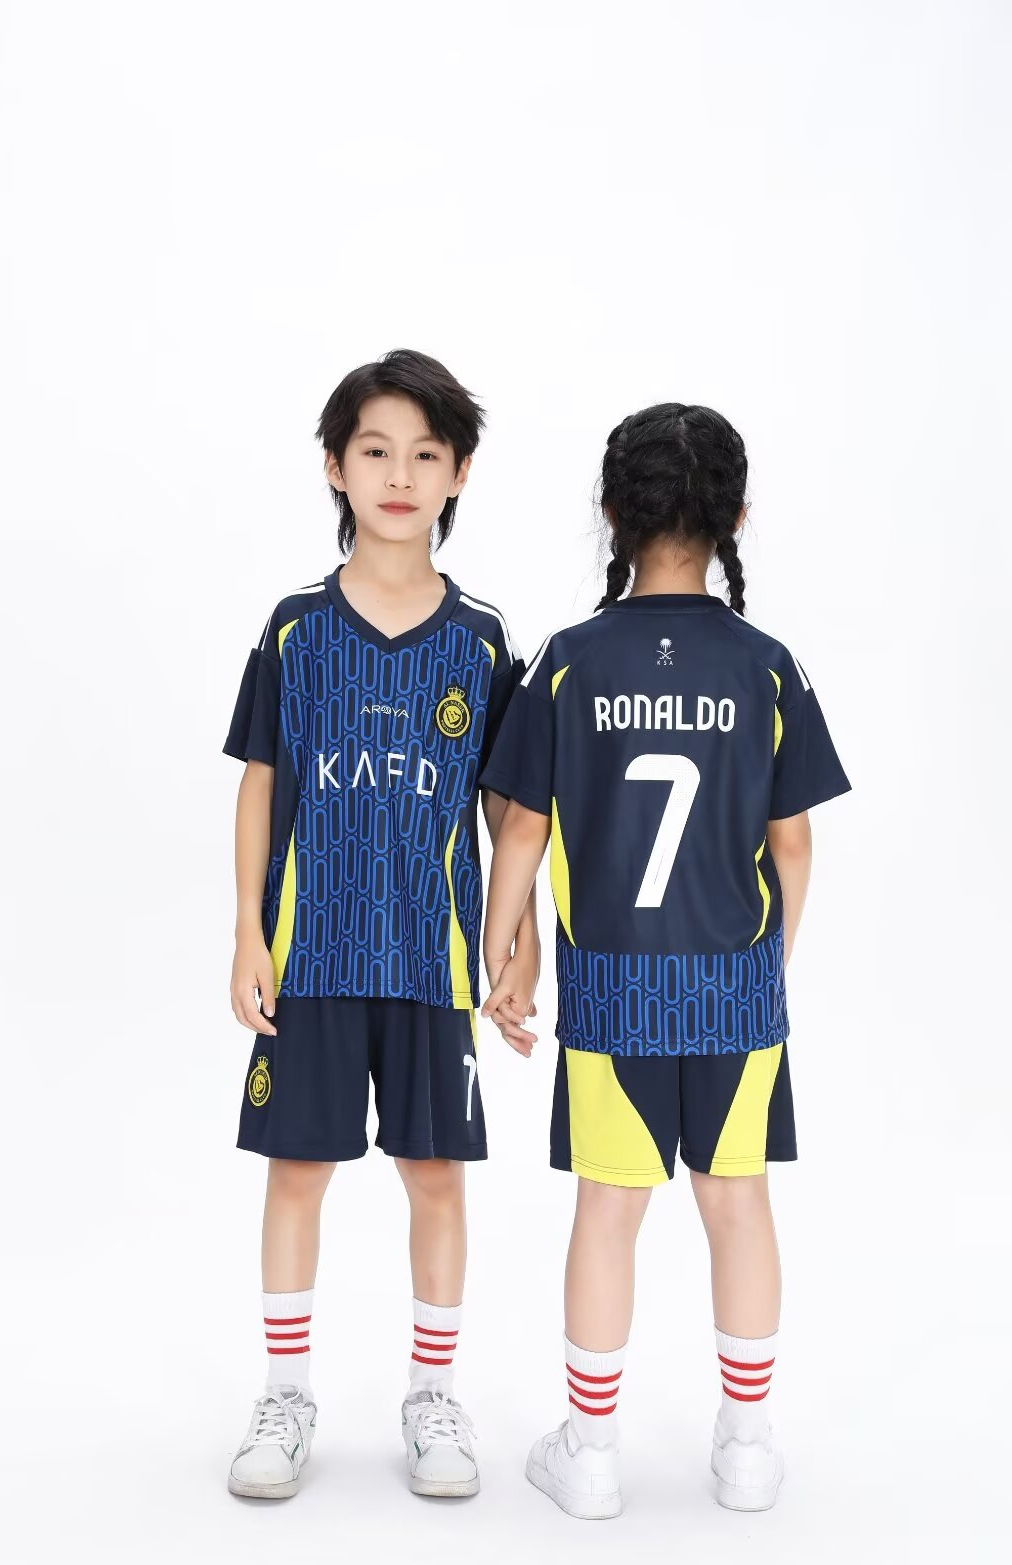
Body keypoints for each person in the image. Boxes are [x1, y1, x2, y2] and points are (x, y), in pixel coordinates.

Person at [479, 403, 850, 1518]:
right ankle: (748, 1448)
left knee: (609, 1207)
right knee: (739, 1202)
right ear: (737, 515)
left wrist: (506, 953)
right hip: (734, 992)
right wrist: (767, 963)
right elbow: (793, 842)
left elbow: (522, 826)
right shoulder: (766, 666)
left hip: (613, 992)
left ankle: (591, 1453)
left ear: (611, 513)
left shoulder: (568, 662)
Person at [222, 349, 535, 1501]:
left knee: (436, 1173)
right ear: (334, 466)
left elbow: (509, 808)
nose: (399, 475)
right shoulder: (295, 628)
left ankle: (432, 1393)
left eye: (425, 454)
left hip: (430, 958)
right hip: (311, 955)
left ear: (459, 473)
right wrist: (247, 932)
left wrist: (516, 941)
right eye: (375, 450)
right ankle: (285, 1392)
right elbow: (261, 781)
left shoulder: (485, 640)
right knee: (297, 1167)